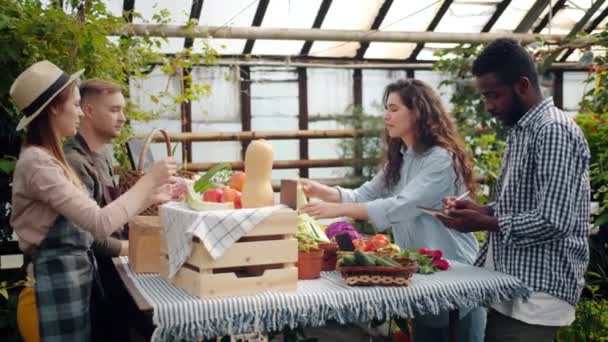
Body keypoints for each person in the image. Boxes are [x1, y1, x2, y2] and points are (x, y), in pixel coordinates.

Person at [300, 78, 485, 341]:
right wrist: (318, 189)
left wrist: (335, 209)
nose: (386, 116)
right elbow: (363, 194)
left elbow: (403, 206)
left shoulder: (441, 159)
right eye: (386, 108)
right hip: (422, 275)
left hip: (455, 271)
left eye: (394, 109)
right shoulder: (402, 158)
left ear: (418, 111)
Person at [9, 60, 176, 341]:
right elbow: (99, 223)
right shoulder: (38, 163)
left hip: (71, 281)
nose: (79, 112)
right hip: (52, 287)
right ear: (53, 108)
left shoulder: (50, 158)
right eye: (75, 105)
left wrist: (150, 193)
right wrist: (150, 180)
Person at [439, 38, 590, 342]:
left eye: (494, 95)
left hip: (537, 294)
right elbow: (521, 206)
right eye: (484, 96)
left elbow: (553, 220)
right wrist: (478, 211)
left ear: (522, 85)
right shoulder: (522, 131)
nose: (489, 106)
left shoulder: (553, 131)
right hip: (513, 286)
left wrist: (484, 222)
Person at [63, 79, 130, 341]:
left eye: (122, 110)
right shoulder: (74, 163)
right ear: (88, 111)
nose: (122, 118)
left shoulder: (101, 156)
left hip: (112, 273)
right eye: (114, 110)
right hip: (92, 282)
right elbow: (84, 237)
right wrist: (127, 248)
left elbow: (111, 212)